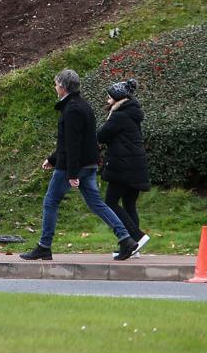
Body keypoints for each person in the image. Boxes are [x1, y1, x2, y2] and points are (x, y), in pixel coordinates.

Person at [20, 69, 139, 261]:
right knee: (97, 204)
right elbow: (79, 140)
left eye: (57, 84)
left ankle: (44, 246)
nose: (55, 87)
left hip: (73, 166)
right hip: (88, 164)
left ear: (64, 87)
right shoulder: (83, 105)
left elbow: (72, 144)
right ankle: (126, 239)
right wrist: (52, 159)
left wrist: (72, 173)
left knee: (50, 202)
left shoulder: (72, 109)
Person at [97, 78, 151, 258]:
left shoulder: (119, 116)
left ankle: (136, 237)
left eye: (109, 97)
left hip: (123, 166)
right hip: (136, 165)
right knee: (129, 204)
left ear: (117, 98)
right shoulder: (132, 113)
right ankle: (132, 248)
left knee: (110, 203)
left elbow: (101, 135)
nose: (107, 100)